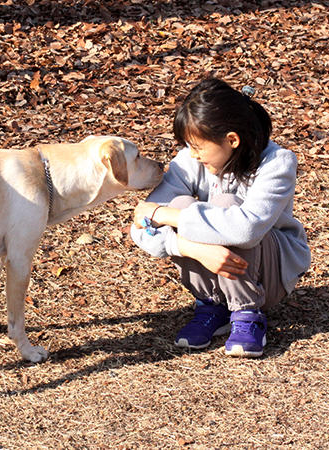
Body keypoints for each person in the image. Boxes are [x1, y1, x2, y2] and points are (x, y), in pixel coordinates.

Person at [130, 78, 311, 357]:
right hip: (213, 274)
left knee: (220, 205)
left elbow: (247, 229)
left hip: (271, 272)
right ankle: (212, 305)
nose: (191, 154)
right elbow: (140, 229)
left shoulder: (277, 162)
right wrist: (194, 249)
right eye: (187, 145)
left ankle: (247, 313)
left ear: (232, 140)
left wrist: (162, 213)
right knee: (179, 202)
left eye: (197, 146)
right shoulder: (189, 161)